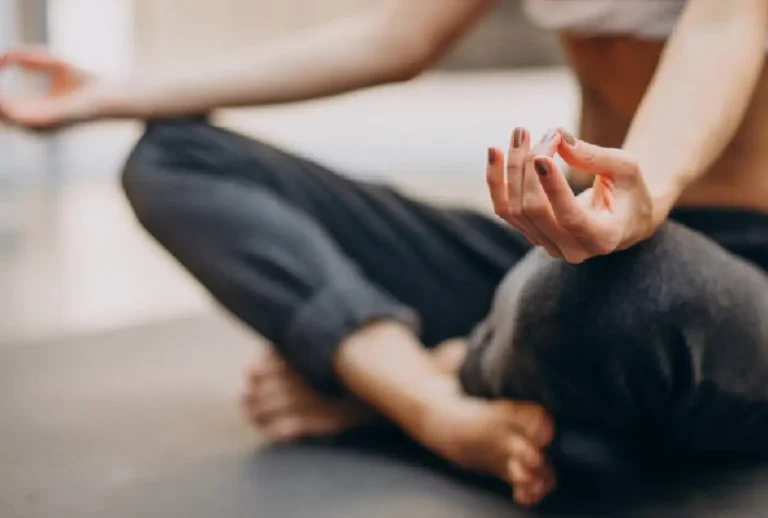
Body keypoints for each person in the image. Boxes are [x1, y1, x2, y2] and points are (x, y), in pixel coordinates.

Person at [2, 0, 768, 508]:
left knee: (614, 290)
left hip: (720, 279)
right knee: (174, 157)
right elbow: (394, 37)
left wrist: (649, 190)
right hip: (567, 251)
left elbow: (726, 24)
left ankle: (380, 381)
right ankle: (429, 403)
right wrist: (115, 93)